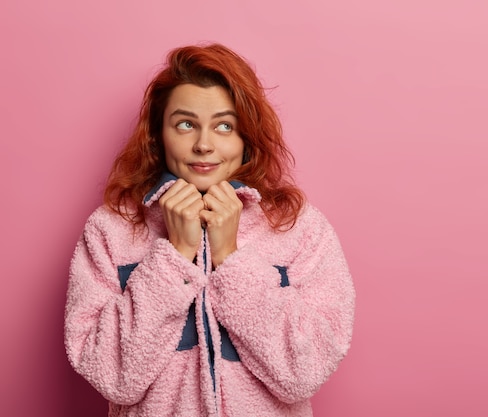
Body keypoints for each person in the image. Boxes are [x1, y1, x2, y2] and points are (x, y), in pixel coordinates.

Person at [64, 43, 355, 417]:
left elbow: (304, 373)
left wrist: (230, 259)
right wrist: (174, 257)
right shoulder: (110, 230)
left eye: (224, 126)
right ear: (158, 134)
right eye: (185, 124)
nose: (203, 145)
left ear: (246, 137)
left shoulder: (299, 228)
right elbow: (112, 377)